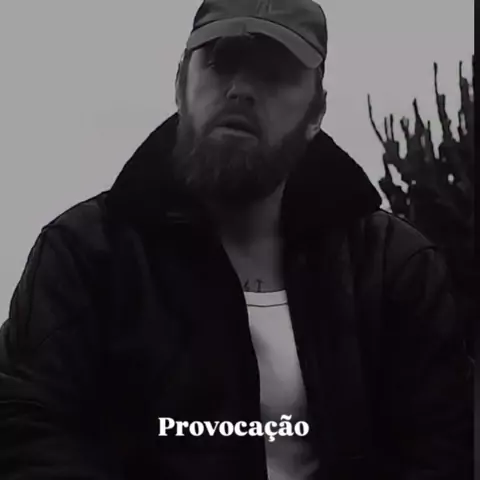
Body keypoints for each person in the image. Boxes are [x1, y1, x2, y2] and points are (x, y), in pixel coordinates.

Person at [0, 0, 473, 479]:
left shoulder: (393, 267)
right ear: (180, 84)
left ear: (317, 111)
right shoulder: (84, 256)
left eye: (274, 72)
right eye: (221, 62)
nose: (241, 90)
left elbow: (437, 447)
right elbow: (31, 436)